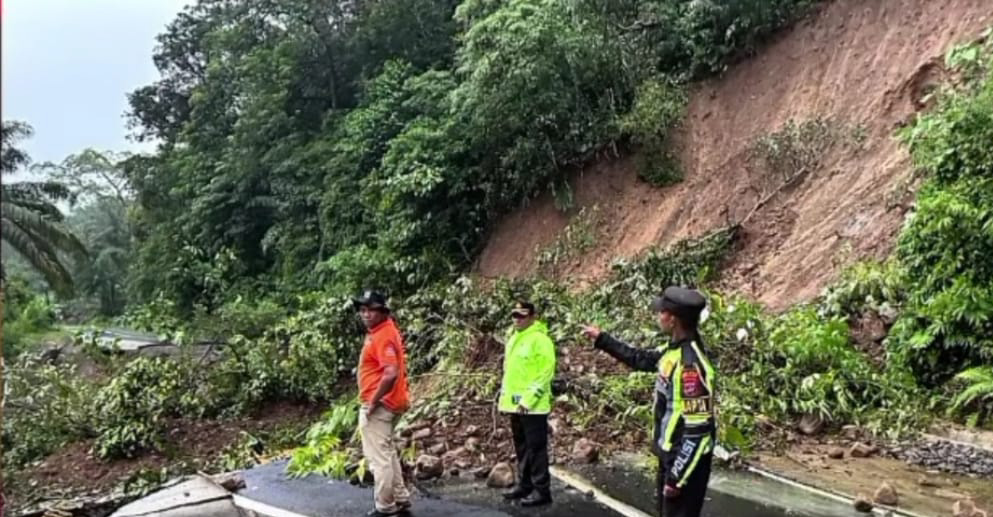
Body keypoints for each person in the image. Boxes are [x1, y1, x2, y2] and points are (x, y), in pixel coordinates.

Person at [582, 287, 716, 517]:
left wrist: (677, 477)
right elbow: (640, 359)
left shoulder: (690, 366)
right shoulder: (671, 351)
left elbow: (698, 430)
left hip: (684, 463)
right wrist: (602, 339)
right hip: (669, 456)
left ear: (673, 320)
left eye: (661, 312)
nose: (658, 317)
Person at [354, 289, 412, 517]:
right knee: (387, 452)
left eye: (371, 310)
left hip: (381, 405)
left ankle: (385, 507)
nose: (366, 314)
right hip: (389, 402)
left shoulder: (383, 335)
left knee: (379, 459)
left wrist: (372, 402)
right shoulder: (381, 330)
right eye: (363, 309)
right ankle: (400, 497)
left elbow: (390, 373)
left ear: (382, 311)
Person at [498, 301, 557, 507]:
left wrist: (529, 399)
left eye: (521, 316)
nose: (517, 319)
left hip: (533, 406)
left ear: (533, 317)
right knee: (522, 447)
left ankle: (542, 490)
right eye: (514, 315)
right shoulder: (515, 338)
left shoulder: (540, 340)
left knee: (536, 449)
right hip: (515, 405)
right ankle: (525, 484)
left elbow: (545, 373)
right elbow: (512, 373)